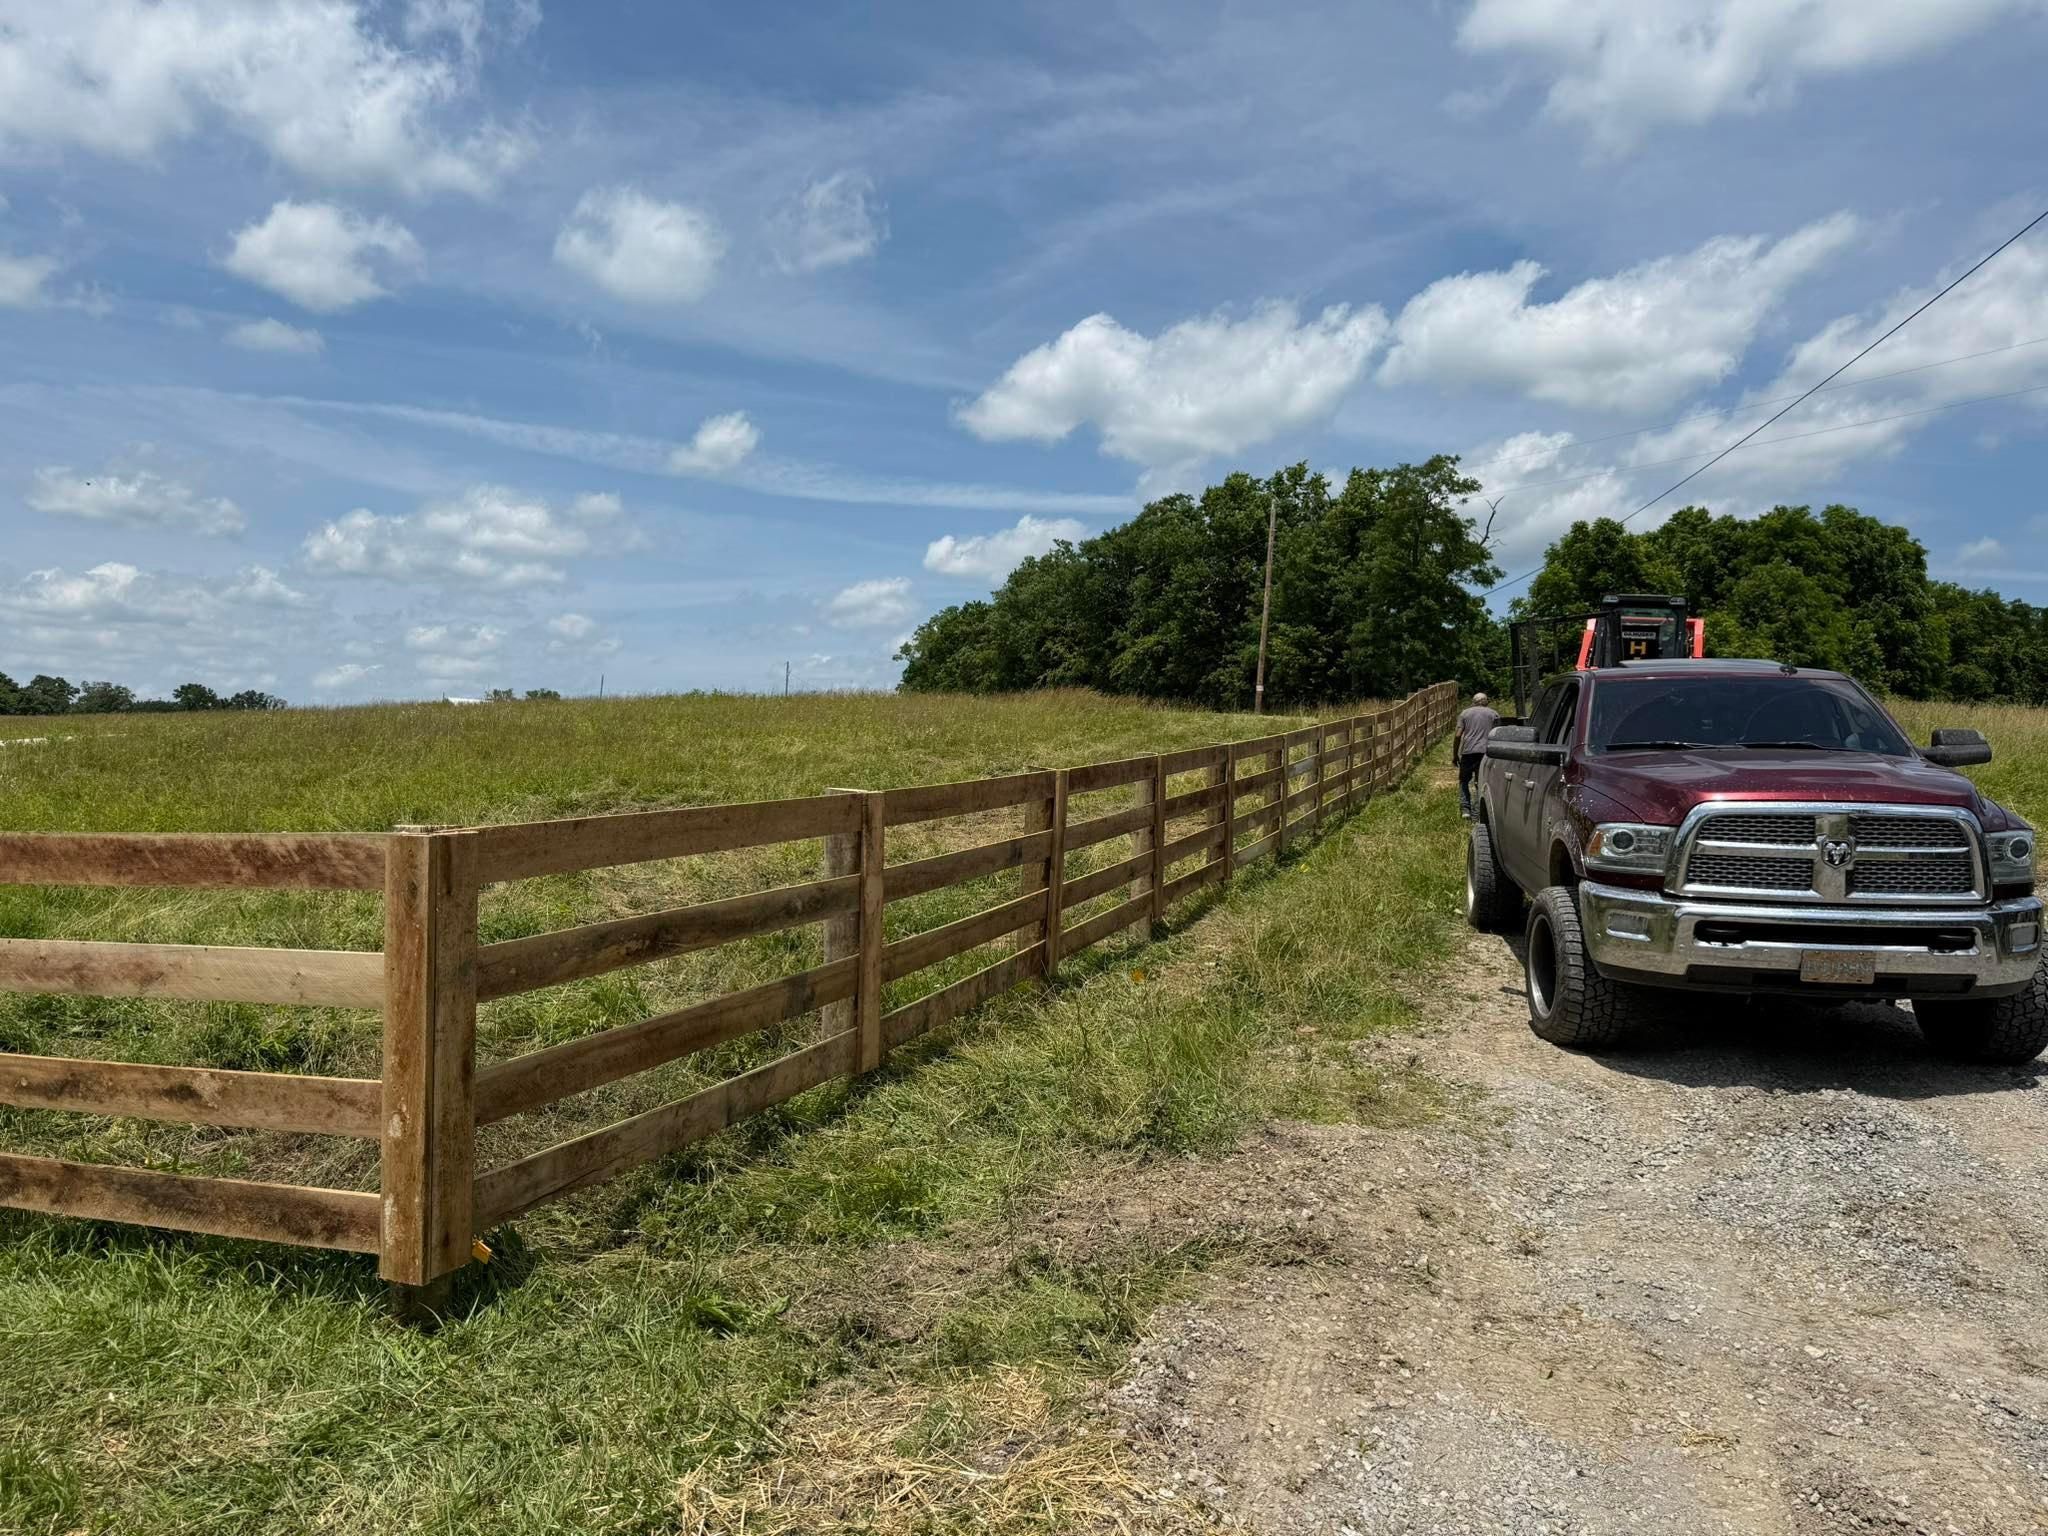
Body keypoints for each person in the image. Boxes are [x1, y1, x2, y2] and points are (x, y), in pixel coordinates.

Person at [1454, 691, 1499, 819]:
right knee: (1481, 782)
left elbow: (1458, 735)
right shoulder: (1494, 714)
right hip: (1486, 752)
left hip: (1468, 752)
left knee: (1464, 781)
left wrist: (1455, 754)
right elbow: (1498, 733)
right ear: (1486, 701)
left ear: (1473, 702)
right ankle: (1478, 811)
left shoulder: (1465, 713)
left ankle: (1465, 809)